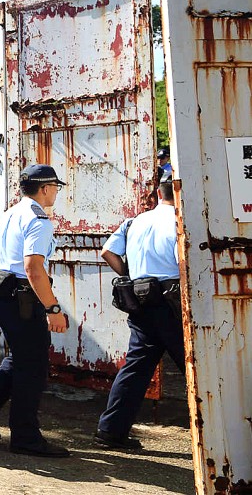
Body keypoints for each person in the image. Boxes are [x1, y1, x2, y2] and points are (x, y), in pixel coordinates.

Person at [0, 164, 70, 458]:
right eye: (56, 188)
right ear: (45, 188)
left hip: (2, 294)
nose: (56, 193)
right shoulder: (39, 220)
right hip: (23, 297)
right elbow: (33, 268)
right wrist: (53, 308)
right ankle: (25, 438)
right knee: (32, 368)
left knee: (21, 355)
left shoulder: (11, 213)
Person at [94, 174, 184, 450]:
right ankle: (216, 435)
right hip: (173, 302)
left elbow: (107, 252)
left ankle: (111, 431)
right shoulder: (180, 222)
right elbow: (185, 261)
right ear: (180, 194)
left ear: (158, 193)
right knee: (196, 368)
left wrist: (130, 274)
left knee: (136, 367)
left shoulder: (135, 221)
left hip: (140, 299)